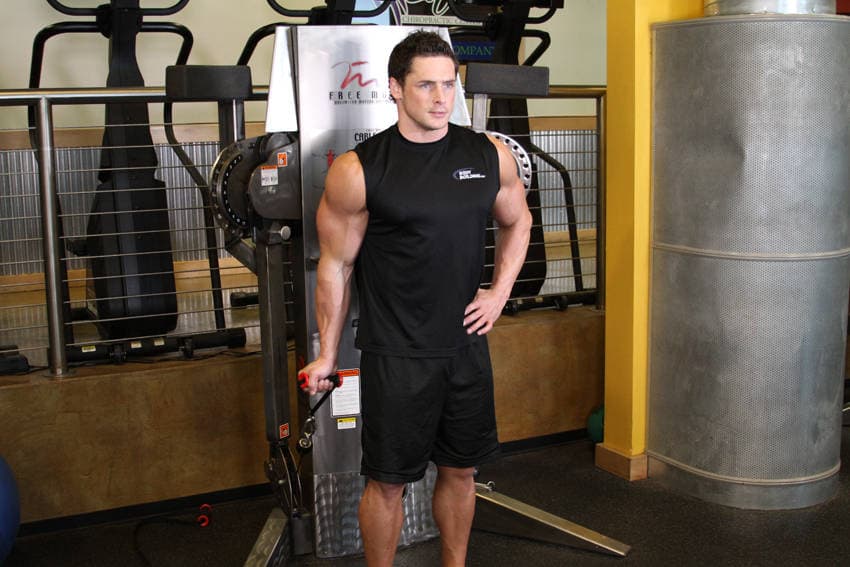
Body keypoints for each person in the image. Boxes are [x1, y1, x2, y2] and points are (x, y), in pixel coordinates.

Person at [298, 30, 532, 567]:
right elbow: (336, 265)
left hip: (464, 346)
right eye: (426, 85)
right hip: (397, 352)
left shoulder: (487, 154)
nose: (441, 97)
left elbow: (518, 222)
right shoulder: (359, 169)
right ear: (395, 89)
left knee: (461, 470)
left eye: (449, 85)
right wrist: (327, 354)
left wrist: (498, 293)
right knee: (387, 482)